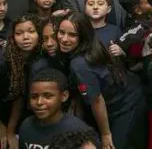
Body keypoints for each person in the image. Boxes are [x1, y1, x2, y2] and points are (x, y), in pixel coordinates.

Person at [57, 12, 145, 149]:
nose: (63, 39)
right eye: (61, 32)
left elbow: (97, 100)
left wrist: (105, 134)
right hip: (116, 97)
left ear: (83, 36)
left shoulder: (79, 65)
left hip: (127, 101)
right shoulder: (87, 46)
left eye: (72, 35)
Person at [18, 69, 99, 148]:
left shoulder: (78, 132)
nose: (39, 102)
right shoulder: (26, 126)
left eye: (47, 96)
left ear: (64, 96)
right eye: (34, 97)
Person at [0, 14, 42, 149]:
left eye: (31, 31)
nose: (25, 37)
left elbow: (19, 97)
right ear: (12, 37)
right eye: (19, 33)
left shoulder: (42, 60)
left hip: (26, 119)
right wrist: (2, 127)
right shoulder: (4, 62)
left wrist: (11, 130)